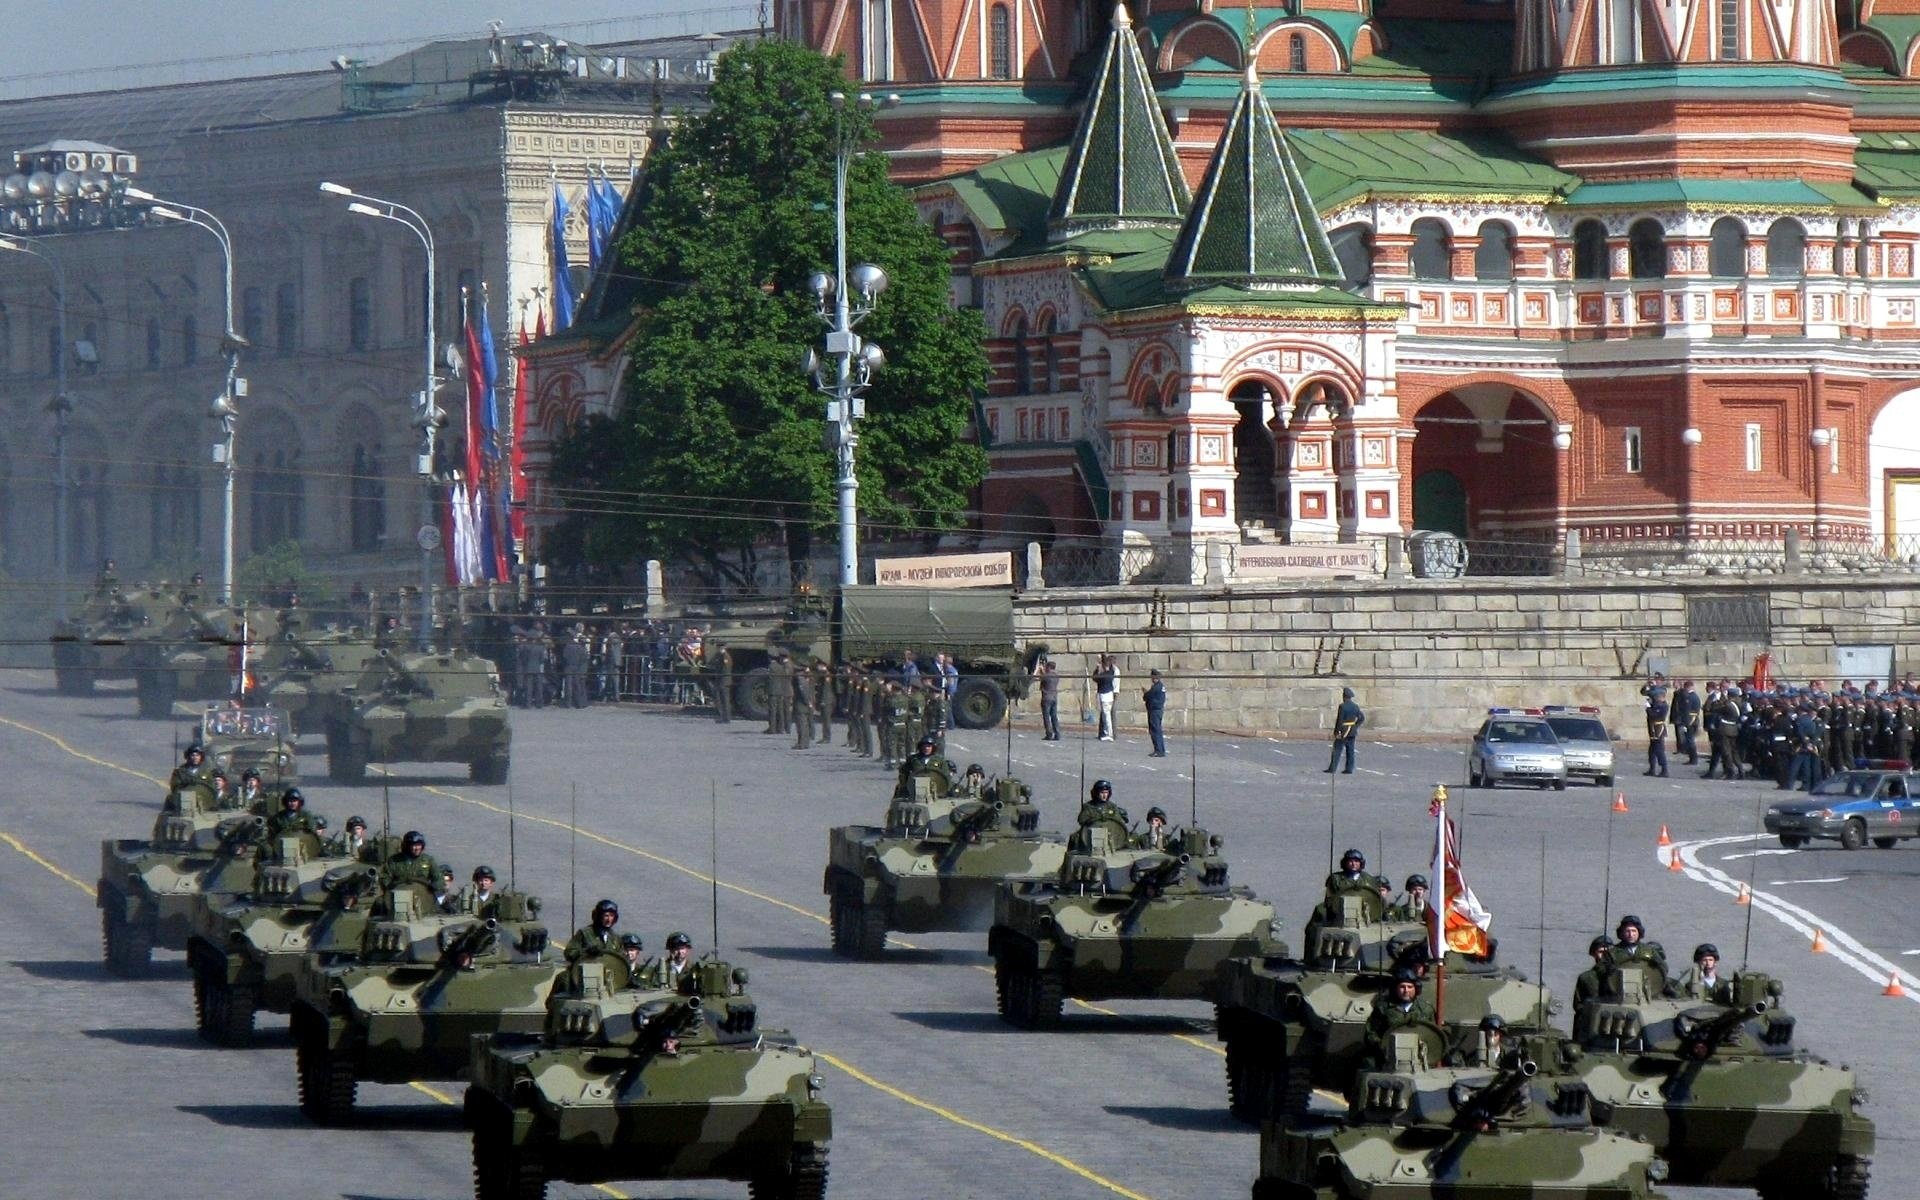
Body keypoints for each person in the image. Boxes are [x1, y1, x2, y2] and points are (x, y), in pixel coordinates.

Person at [1360, 970, 1437, 1069]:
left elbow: (1433, 1033)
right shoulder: (1383, 1007)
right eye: (1402, 987)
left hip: (1419, 1056)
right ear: (1395, 988)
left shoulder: (1425, 1008)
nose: (1406, 991)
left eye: (1410, 987)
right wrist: (1381, 1046)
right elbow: (1371, 1032)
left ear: (1416, 989)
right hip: (1387, 1056)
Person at [565, 898, 623, 963]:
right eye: (606, 916)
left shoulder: (615, 938)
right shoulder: (585, 933)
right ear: (599, 916)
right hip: (587, 970)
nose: (609, 919)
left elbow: (622, 959)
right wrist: (586, 952)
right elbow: (569, 953)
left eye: (612, 916)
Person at [1323, 848, 1392, 902]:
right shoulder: (1335, 879)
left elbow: (1375, 899)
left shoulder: (1368, 879)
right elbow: (1329, 900)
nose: (1353, 864)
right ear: (1345, 863)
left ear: (1361, 863)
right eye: (1350, 861)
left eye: (1356, 861)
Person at [1326, 688, 1364, 774]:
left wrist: (1336, 732)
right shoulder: (1355, 706)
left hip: (1343, 731)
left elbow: (1339, 720)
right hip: (1352, 731)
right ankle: (1349, 769)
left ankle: (1333, 768)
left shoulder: (1342, 706)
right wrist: (1355, 725)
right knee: (1350, 750)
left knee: (1337, 749)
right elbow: (1361, 718)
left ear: (1344, 696)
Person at [1644, 694, 1670, 778]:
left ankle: (1664, 770)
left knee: (1659, 751)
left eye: (1658, 697)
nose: (1656, 698)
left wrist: (1648, 708)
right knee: (1651, 751)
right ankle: (1652, 769)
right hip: (1653, 730)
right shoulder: (1657, 705)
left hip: (1658, 730)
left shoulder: (1663, 706)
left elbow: (1654, 715)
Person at [1036, 658, 1062, 742]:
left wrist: (1039, 669)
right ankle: (1057, 734)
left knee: (1046, 717)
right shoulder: (1056, 676)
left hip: (1046, 698)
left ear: (1049, 667)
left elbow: (1037, 677)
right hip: (1054, 697)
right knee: (1054, 716)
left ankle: (1049, 734)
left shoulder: (1046, 675)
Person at [1143, 669, 1168, 757]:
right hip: (1158, 710)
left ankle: (1158, 750)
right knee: (1158, 730)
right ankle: (1161, 749)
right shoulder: (1160, 686)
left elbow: (1148, 696)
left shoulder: (1156, 687)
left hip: (1154, 710)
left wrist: (1145, 693)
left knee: (1155, 730)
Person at [1094, 654, 1118, 741]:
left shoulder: (1106, 674)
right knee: (1105, 715)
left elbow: (1096, 678)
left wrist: (1099, 667)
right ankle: (1106, 732)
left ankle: (1109, 733)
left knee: (1107, 715)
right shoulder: (1111, 671)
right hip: (1106, 695)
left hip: (1106, 695)